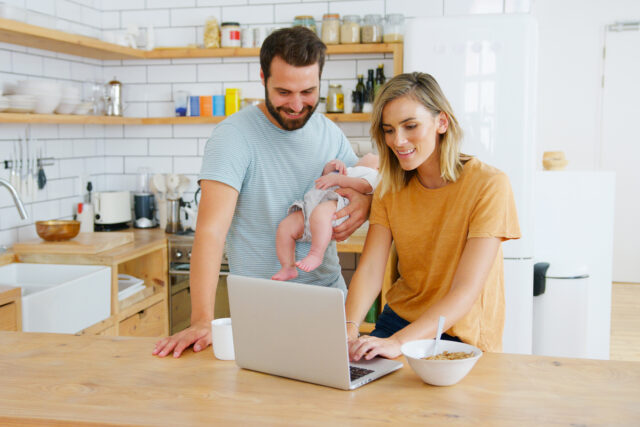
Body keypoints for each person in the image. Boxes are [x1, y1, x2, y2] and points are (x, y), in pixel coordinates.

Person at [153, 27, 372, 358]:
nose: (297, 104)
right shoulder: (234, 137)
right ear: (262, 77)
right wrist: (201, 320)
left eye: (308, 91)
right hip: (261, 308)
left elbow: (360, 185)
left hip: (329, 305)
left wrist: (363, 205)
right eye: (284, 91)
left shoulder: (331, 133)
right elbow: (211, 231)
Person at [345, 72, 521, 362]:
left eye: (410, 126)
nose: (398, 140)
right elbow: (371, 269)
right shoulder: (390, 187)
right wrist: (349, 328)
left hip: (458, 332)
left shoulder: (489, 184)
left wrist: (398, 343)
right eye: (389, 130)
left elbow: (466, 290)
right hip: (397, 321)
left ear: (441, 122)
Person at [273, 153, 379, 280]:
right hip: (313, 204)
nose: (369, 155)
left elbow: (365, 186)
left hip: (338, 203)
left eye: (374, 156)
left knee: (321, 214)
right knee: (285, 227)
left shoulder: (373, 174)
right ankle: (287, 267)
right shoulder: (351, 171)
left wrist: (338, 179)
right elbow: (326, 178)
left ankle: (316, 254)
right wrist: (332, 167)